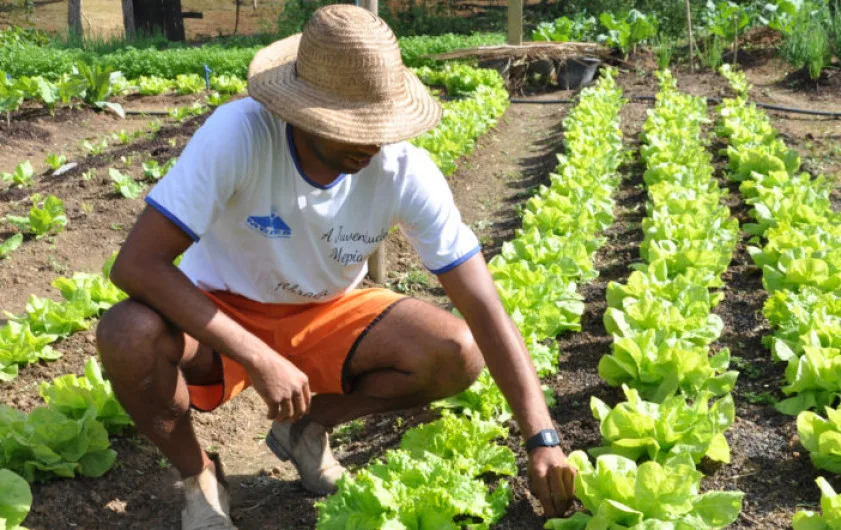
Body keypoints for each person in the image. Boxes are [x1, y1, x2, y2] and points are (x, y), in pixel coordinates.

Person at [96, 4, 576, 529]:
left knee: (457, 352)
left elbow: (483, 305)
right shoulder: (241, 135)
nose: (370, 142)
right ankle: (199, 476)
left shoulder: (401, 167)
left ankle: (310, 427)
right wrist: (257, 355)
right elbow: (137, 264)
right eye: (351, 126)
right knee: (127, 333)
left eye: (379, 124)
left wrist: (542, 437)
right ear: (303, 111)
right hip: (221, 308)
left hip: (331, 309)